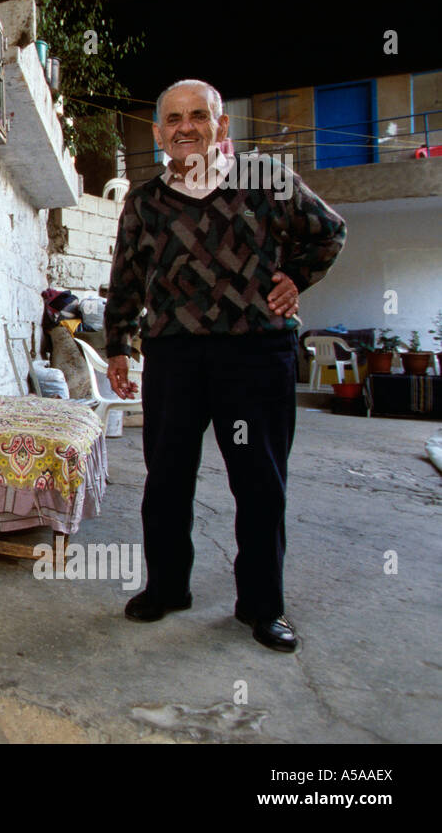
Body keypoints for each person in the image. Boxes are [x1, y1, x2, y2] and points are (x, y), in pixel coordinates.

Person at [104, 79, 346, 652]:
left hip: (256, 354)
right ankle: (166, 589)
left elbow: (330, 232)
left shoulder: (265, 181)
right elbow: (126, 279)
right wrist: (118, 345)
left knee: (260, 484)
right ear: (159, 131)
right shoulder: (143, 202)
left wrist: (296, 279)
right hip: (174, 357)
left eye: (198, 115)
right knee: (164, 483)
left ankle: (263, 607)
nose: (185, 127)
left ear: (222, 126)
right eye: (173, 118)